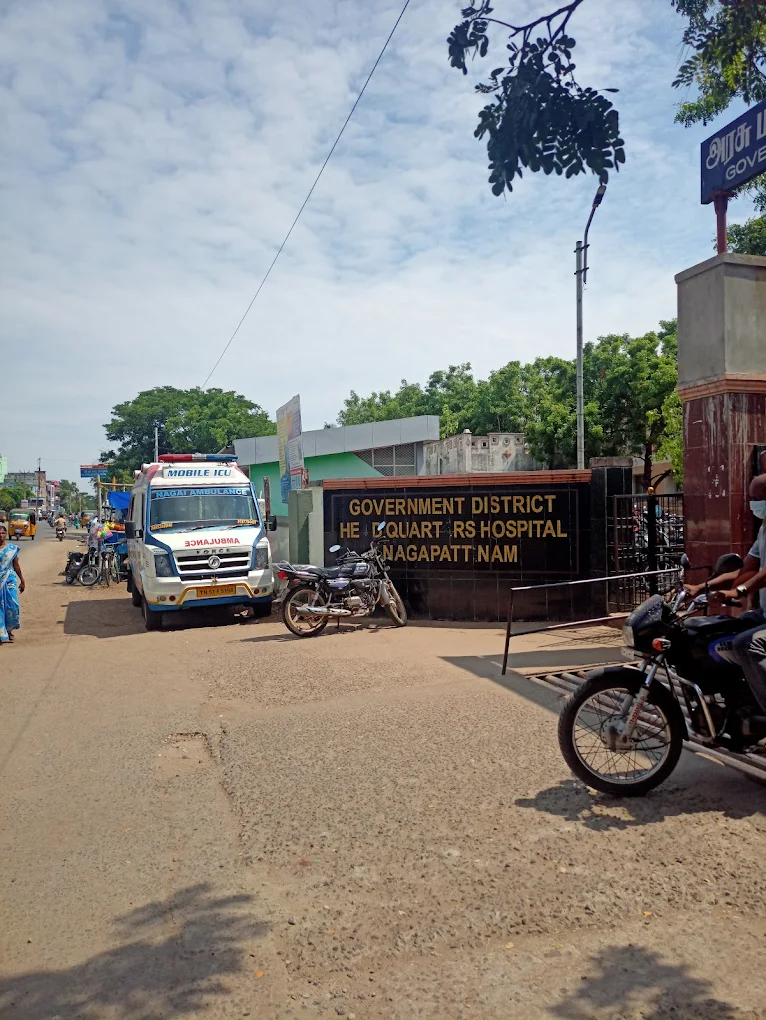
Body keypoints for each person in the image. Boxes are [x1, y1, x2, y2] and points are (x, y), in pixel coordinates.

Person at [687, 472, 766, 712]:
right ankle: (738, 704)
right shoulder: (764, 529)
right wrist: (702, 587)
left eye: (756, 497)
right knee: (722, 630)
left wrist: (740, 591)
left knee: (745, 644)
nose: (752, 502)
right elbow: (745, 568)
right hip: (763, 613)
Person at [0, 522, 25, 645]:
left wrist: (22, 580)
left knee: (12, 605)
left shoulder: (11, 549)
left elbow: (16, 565)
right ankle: (2, 633)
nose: (1, 535)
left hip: (9, 579)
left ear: (6, 534)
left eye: (3, 533)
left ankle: (9, 631)